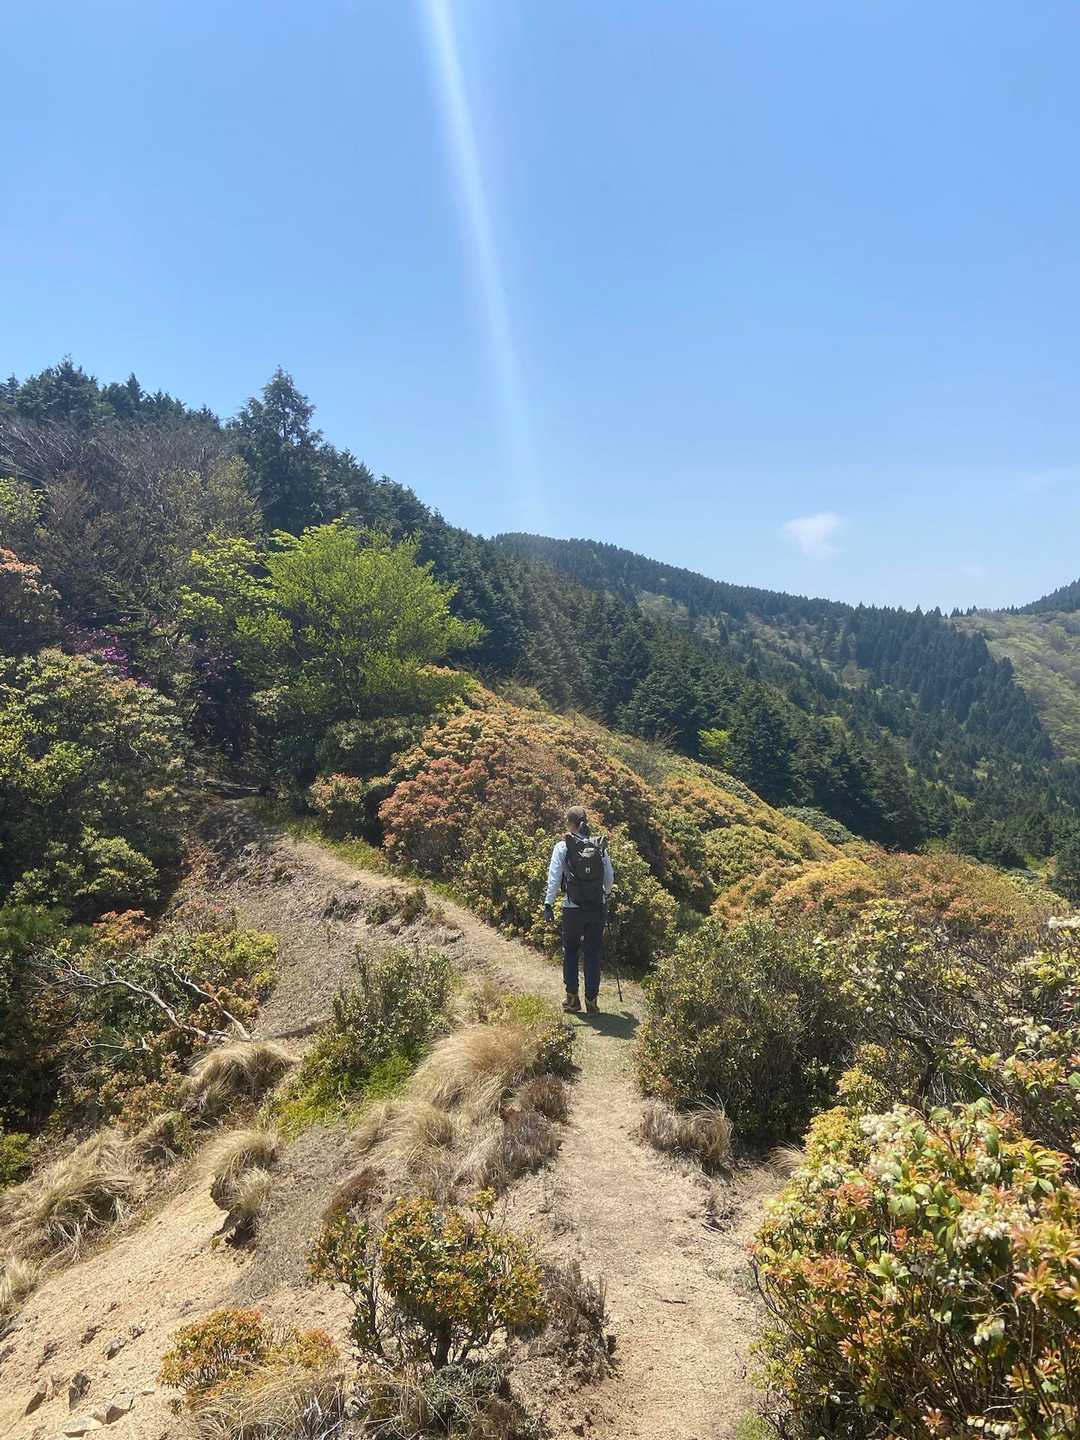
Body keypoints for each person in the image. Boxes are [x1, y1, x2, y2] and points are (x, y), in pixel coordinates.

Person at [543, 805, 614, 1014]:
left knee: (571, 951)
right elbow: (609, 879)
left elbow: (554, 878)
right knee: (592, 953)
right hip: (596, 907)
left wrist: (548, 904)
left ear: (569, 823)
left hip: (572, 908)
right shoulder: (599, 845)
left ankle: (572, 1000)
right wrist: (604, 895)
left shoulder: (563, 846)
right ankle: (592, 1002)